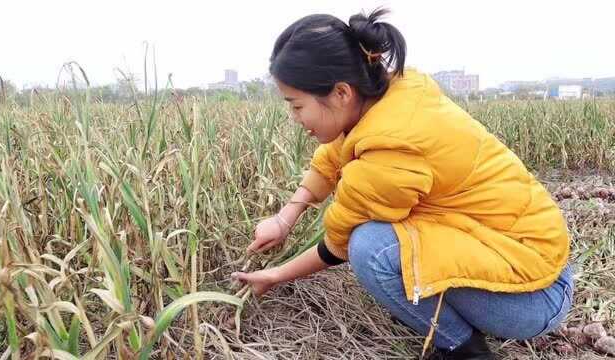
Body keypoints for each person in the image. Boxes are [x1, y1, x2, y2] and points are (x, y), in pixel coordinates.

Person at [231, 8, 573, 360]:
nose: (295, 118)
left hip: (535, 298)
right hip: (532, 259)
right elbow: (333, 156)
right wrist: (285, 217)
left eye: (297, 105)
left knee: (372, 249)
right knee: (387, 236)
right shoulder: (392, 98)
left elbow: (339, 246)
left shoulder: (391, 148)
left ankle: (464, 350)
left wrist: (275, 275)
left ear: (341, 93)